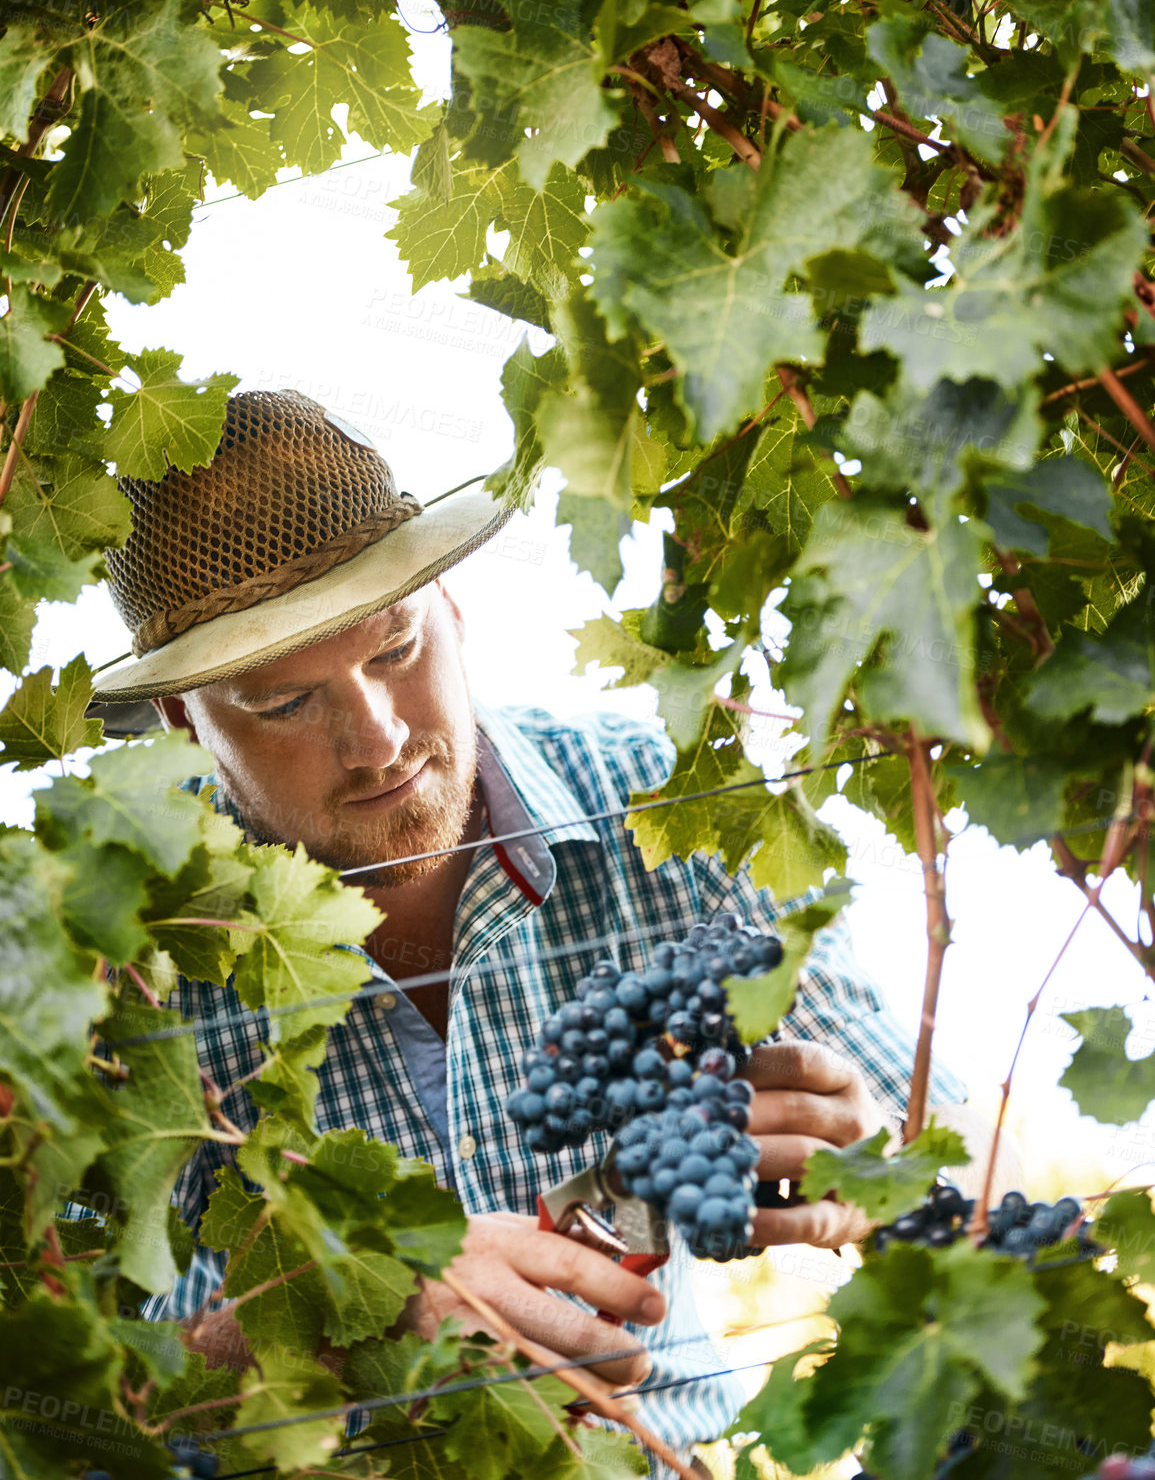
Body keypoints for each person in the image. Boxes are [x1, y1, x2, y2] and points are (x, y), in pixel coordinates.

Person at [92, 388, 975, 1461]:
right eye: (286, 704)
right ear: (187, 720)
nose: (378, 741)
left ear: (452, 606)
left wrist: (838, 1152)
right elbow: (86, 1398)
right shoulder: (107, 952)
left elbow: (920, 1158)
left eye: (395, 649)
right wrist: (357, 1302)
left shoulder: (667, 809)